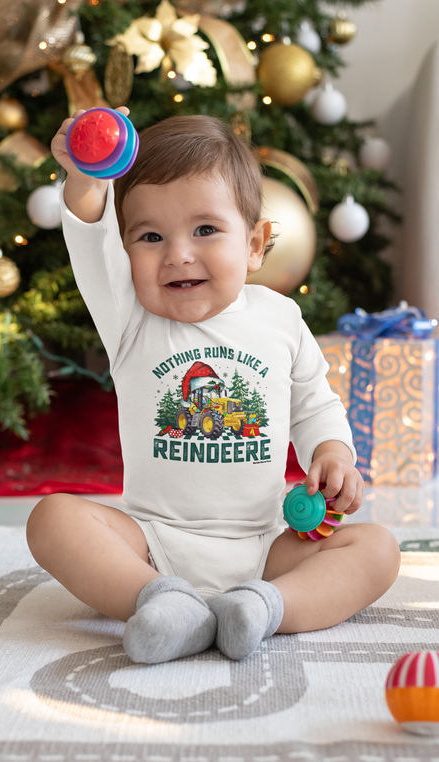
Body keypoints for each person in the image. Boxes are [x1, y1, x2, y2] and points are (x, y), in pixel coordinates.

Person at [26, 109, 400, 665]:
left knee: (378, 550)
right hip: (151, 543)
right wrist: (86, 175)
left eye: (205, 229)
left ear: (254, 244)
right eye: (150, 236)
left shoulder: (280, 318)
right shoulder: (129, 319)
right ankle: (159, 602)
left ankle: (264, 608)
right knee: (51, 520)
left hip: (266, 544)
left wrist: (332, 453)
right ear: (125, 255)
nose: (178, 253)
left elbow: (314, 402)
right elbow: (88, 238)